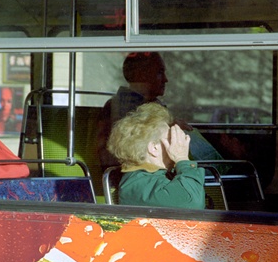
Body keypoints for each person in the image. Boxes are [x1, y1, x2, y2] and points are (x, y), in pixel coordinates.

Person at [97, 51, 227, 172]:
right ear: (141, 75)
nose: (166, 79)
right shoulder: (121, 106)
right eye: (159, 73)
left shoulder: (151, 103)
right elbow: (126, 151)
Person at [107, 102, 205, 209]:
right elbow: (192, 204)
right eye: (171, 138)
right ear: (154, 148)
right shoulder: (138, 185)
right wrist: (182, 159)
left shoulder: (156, 176)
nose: (177, 142)